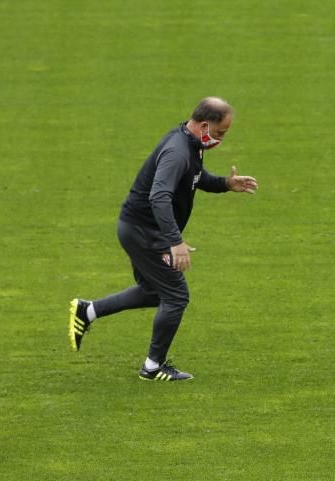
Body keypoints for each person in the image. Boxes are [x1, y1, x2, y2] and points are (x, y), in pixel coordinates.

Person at [68, 97, 258, 381]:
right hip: (144, 231)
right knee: (176, 295)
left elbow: (194, 176)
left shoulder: (190, 142)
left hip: (141, 229)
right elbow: (159, 196)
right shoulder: (177, 151)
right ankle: (152, 367)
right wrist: (174, 241)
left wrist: (225, 184)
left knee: (153, 291)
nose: (221, 139)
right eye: (220, 133)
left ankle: (88, 311)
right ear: (205, 125)